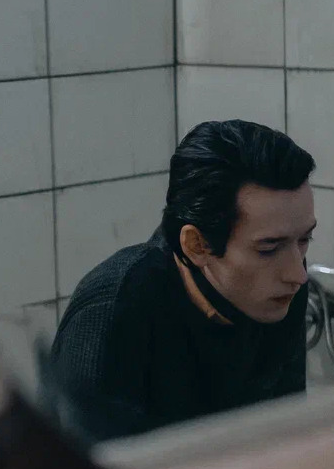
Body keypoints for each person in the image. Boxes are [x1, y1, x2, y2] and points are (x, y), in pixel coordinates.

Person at [50, 119, 317, 443]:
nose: (298, 274)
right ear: (196, 246)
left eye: (304, 240)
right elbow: (80, 466)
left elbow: (286, 431)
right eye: (268, 249)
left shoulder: (281, 286)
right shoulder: (113, 309)